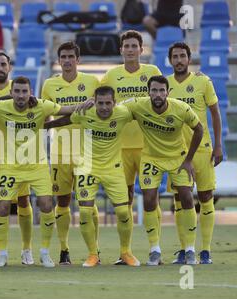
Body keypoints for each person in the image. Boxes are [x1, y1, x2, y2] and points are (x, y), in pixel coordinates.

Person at [0, 76, 93, 268]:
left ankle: (45, 252)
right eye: (17, 91)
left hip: (37, 166)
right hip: (11, 166)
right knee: (2, 207)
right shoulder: (2, 107)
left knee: (47, 205)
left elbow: (67, 110)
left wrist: (87, 103)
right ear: (12, 92)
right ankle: (3, 254)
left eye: (25, 91)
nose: (21, 95)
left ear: (30, 92)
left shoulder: (41, 105)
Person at [44, 86, 140, 267]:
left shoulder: (123, 114)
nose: (104, 107)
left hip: (113, 168)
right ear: (94, 102)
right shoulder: (85, 113)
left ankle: (126, 252)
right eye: (100, 103)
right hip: (87, 167)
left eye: (108, 103)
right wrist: (43, 126)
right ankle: (92, 254)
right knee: (85, 211)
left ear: (115, 103)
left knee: (122, 211)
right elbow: (64, 121)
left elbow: (144, 113)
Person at [122, 75, 203, 265]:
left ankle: (190, 249)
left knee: (186, 196)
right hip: (151, 158)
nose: (158, 94)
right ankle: (154, 249)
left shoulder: (181, 108)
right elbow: (114, 109)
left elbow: (199, 129)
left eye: (161, 90)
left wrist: (189, 160)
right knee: (149, 198)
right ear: (148, 92)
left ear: (168, 92)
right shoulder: (138, 105)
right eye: (154, 90)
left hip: (178, 158)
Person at [100, 31, 162, 261]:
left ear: (141, 49)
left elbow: (164, 101)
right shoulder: (111, 75)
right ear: (121, 50)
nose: (130, 49)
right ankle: (124, 252)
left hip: (148, 145)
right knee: (123, 200)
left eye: (134, 45)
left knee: (149, 196)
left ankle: (154, 248)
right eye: (126, 45)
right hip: (120, 147)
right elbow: (101, 103)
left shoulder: (153, 72)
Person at [41, 41, 100, 265]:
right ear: (58, 60)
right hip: (60, 152)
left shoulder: (92, 82)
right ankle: (64, 250)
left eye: (70, 57)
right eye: (63, 57)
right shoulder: (49, 85)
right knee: (63, 201)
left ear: (78, 59)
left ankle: (94, 251)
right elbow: (45, 118)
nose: (66, 61)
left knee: (87, 201)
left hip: (86, 151)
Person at [167, 42, 223, 264]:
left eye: (182, 56)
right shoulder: (165, 85)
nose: (179, 60)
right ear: (170, 60)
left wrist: (218, 145)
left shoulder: (203, 81)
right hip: (177, 153)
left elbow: (215, 114)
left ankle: (206, 250)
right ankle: (184, 249)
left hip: (203, 150)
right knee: (181, 199)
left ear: (189, 59)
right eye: (175, 57)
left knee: (206, 196)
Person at [0, 51, 34, 265]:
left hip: (18, 153)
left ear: (10, 67)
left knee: (23, 199)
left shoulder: (21, 88)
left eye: (3, 64)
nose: (0, 68)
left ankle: (27, 249)